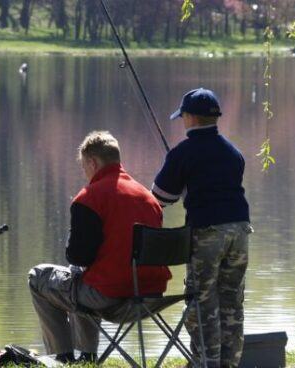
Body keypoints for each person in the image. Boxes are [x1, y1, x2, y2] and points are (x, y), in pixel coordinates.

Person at [28, 131, 170, 364]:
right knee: (80, 278)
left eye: (84, 166)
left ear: (93, 162)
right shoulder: (149, 198)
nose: (84, 172)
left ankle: (61, 358)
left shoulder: (89, 198)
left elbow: (77, 255)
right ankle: (86, 357)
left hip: (110, 297)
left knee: (39, 277)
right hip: (151, 295)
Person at [152, 88, 252, 368]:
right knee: (231, 301)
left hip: (208, 232)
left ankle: (205, 363)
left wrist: (181, 182)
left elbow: (160, 199)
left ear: (190, 118)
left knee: (201, 303)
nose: (182, 120)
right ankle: (228, 363)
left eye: (183, 116)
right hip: (241, 231)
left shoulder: (183, 153)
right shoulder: (234, 153)